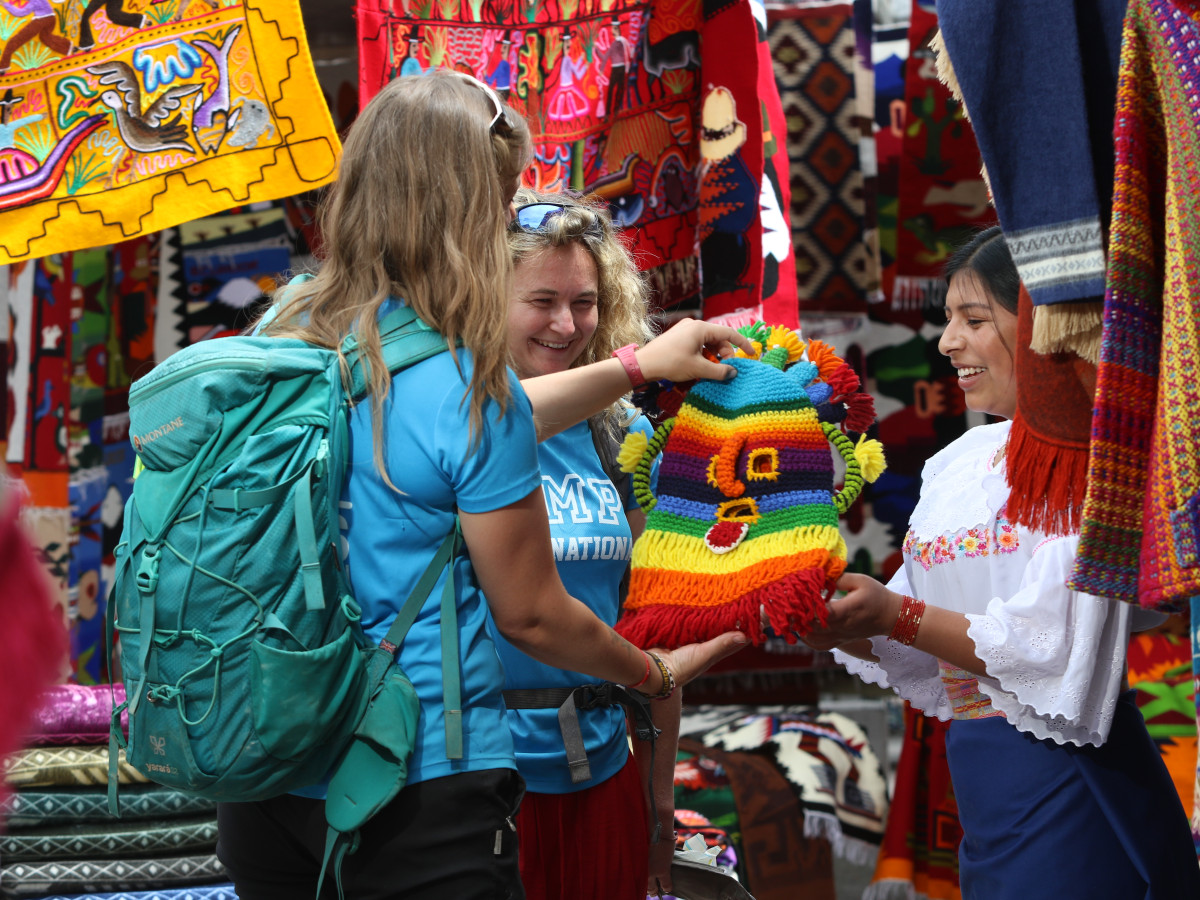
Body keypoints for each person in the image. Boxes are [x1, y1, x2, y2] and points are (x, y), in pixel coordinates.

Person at [214, 71, 751, 900]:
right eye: (499, 200)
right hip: (417, 776)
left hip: (271, 761)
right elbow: (531, 613)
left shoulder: (283, 332)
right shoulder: (468, 391)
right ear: (463, 211)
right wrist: (650, 675)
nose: (505, 220)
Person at [803, 227, 1200, 899]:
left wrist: (895, 614)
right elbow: (913, 625)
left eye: (974, 319)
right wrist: (830, 618)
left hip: (1076, 777)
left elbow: (1049, 644)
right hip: (984, 780)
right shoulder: (956, 463)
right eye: (948, 319)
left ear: (1044, 327)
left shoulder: (1097, 465)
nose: (946, 341)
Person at [494, 188, 673, 899]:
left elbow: (650, 624)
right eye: (541, 300)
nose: (566, 324)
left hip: (604, 773)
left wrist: (658, 793)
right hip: (486, 778)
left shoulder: (618, 432)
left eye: (586, 302)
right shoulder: (452, 421)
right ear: (485, 296)